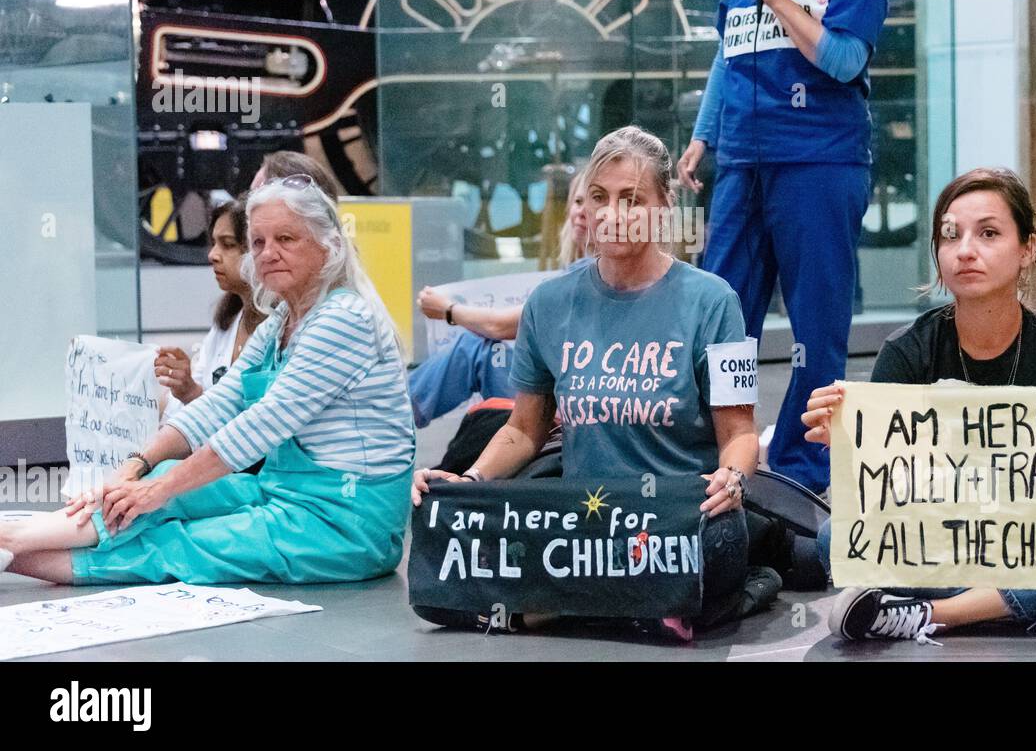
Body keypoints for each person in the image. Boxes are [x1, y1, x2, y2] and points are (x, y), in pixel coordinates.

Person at [411, 127, 767, 640]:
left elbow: (739, 434)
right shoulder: (548, 303)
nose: (613, 213)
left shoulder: (715, 301)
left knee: (720, 543)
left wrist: (731, 480)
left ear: (665, 206)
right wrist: (470, 482)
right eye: (600, 197)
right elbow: (523, 432)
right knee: (442, 561)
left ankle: (547, 609)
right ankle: (640, 607)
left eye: (632, 199)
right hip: (581, 523)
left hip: (671, 517)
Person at [802, 168, 1036, 643]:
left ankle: (928, 615)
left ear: (1028, 249)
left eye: (988, 234)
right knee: (833, 536)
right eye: (950, 235)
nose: (964, 250)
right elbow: (880, 498)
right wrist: (845, 443)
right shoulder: (906, 351)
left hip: (1035, 537)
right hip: (943, 539)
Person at [0, 174, 414, 585]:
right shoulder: (282, 322)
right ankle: (13, 538)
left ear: (329, 246)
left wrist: (154, 491)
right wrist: (136, 467)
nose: (268, 253)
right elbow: (220, 404)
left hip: (344, 522)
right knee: (159, 479)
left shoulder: (343, 320)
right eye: (258, 242)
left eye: (286, 239)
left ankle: (10, 547)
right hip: (280, 491)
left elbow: (258, 426)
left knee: (178, 542)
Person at [675, 0, 889, 495]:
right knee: (722, 309)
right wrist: (703, 135)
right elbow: (726, 58)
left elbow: (846, 61)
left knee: (816, 319)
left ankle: (804, 461)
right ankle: (723, 442)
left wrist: (782, 2)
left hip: (818, 161)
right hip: (743, 157)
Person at [408, 171, 592, 427]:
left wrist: (448, 310)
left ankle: (392, 414)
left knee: (476, 349)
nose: (581, 211)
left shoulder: (589, 273)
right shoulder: (584, 271)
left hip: (565, 408)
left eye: (596, 201)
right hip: (563, 397)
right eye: (578, 201)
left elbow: (502, 327)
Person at [154, 195, 265, 409]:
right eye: (214, 243)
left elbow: (251, 418)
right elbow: (179, 408)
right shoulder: (227, 320)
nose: (212, 255)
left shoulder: (282, 329)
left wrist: (192, 393)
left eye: (228, 244)